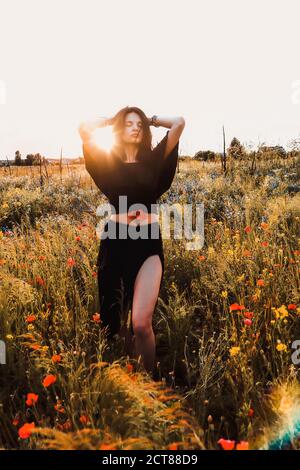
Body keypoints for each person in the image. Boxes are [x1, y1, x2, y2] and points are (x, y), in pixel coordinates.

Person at [78, 106, 185, 376]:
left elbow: (179, 123)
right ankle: (133, 380)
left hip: (147, 243)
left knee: (140, 322)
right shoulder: (107, 161)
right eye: (129, 123)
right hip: (115, 242)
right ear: (120, 129)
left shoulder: (154, 158)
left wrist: (152, 120)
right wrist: (112, 120)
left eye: (140, 124)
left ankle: (151, 386)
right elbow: (83, 127)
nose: (136, 127)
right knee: (120, 324)